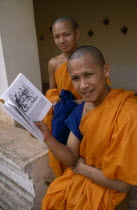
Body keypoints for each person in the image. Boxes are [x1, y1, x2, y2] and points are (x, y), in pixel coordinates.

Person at [36, 45, 137, 209]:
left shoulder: (129, 113)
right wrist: (47, 137)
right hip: (78, 184)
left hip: (109, 193)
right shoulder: (81, 111)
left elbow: (122, 185)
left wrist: (82, 168)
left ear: (106, 70)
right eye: (75, 78)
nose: (83, 85)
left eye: (88, 75)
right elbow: (70, 158)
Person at [44, 16, 82, 177]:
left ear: (77, 34)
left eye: (66, 35)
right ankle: (65, 178)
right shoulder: (54, 63)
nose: (61, 40)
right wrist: (54, 102)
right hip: (63, 113)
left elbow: (100, 92)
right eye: (56, 36)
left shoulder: (87, 57)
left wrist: (74, 103)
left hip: (85, 110)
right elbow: (53, 91)